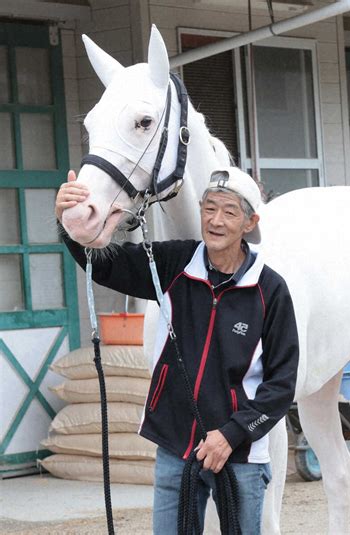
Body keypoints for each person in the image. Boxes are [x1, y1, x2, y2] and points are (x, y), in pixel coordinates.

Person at [55, 166, 299, 535]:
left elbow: (281, 384)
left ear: (249, 223)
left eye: (229, 211)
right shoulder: (173, 264)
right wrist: (69, 222)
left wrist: (231, 434)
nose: (216, 220)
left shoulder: (270, 290)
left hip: (240, 455)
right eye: (209, 208)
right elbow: (106, 266)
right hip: (175, 447)